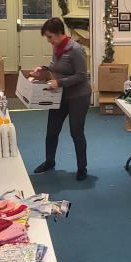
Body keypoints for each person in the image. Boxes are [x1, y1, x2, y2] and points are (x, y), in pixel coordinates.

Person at [32, 17, 91, 180]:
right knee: (52, 130)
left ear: (59, 33)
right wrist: (43, 69)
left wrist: (59, 82)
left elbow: (81, 75)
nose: (49, 41)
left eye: (50, 37)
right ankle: (49, 161)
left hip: (79, 96)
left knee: (76, 132)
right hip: (61, 95)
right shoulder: (57, 47)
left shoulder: (76, 49)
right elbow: (55, 66)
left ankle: (82, 168)